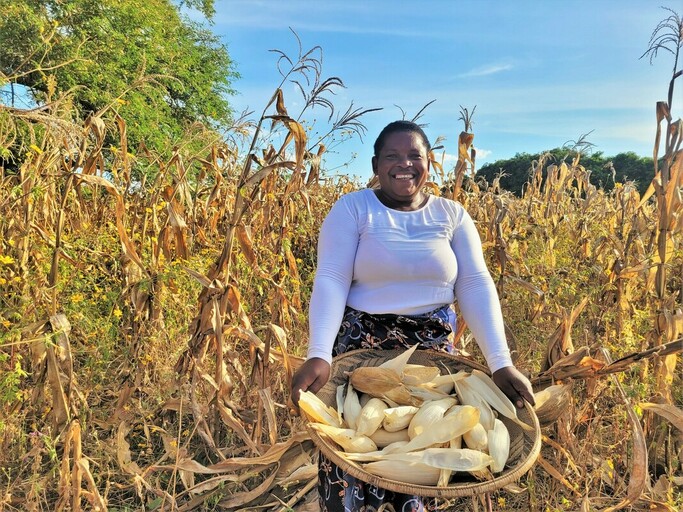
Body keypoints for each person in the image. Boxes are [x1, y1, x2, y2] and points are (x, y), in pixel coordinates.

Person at [291, 120, 535, 512]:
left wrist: (501, 363)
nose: (404, 164)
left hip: (431, 359)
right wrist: (319, 353)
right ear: (375, 164)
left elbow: (474, 284)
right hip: (362, 355)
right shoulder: (354, 209)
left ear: (429, 163)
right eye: (392, 156)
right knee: (357, 452)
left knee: (426, 455)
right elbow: (332, 279)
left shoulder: (451, 216)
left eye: (414, 156)